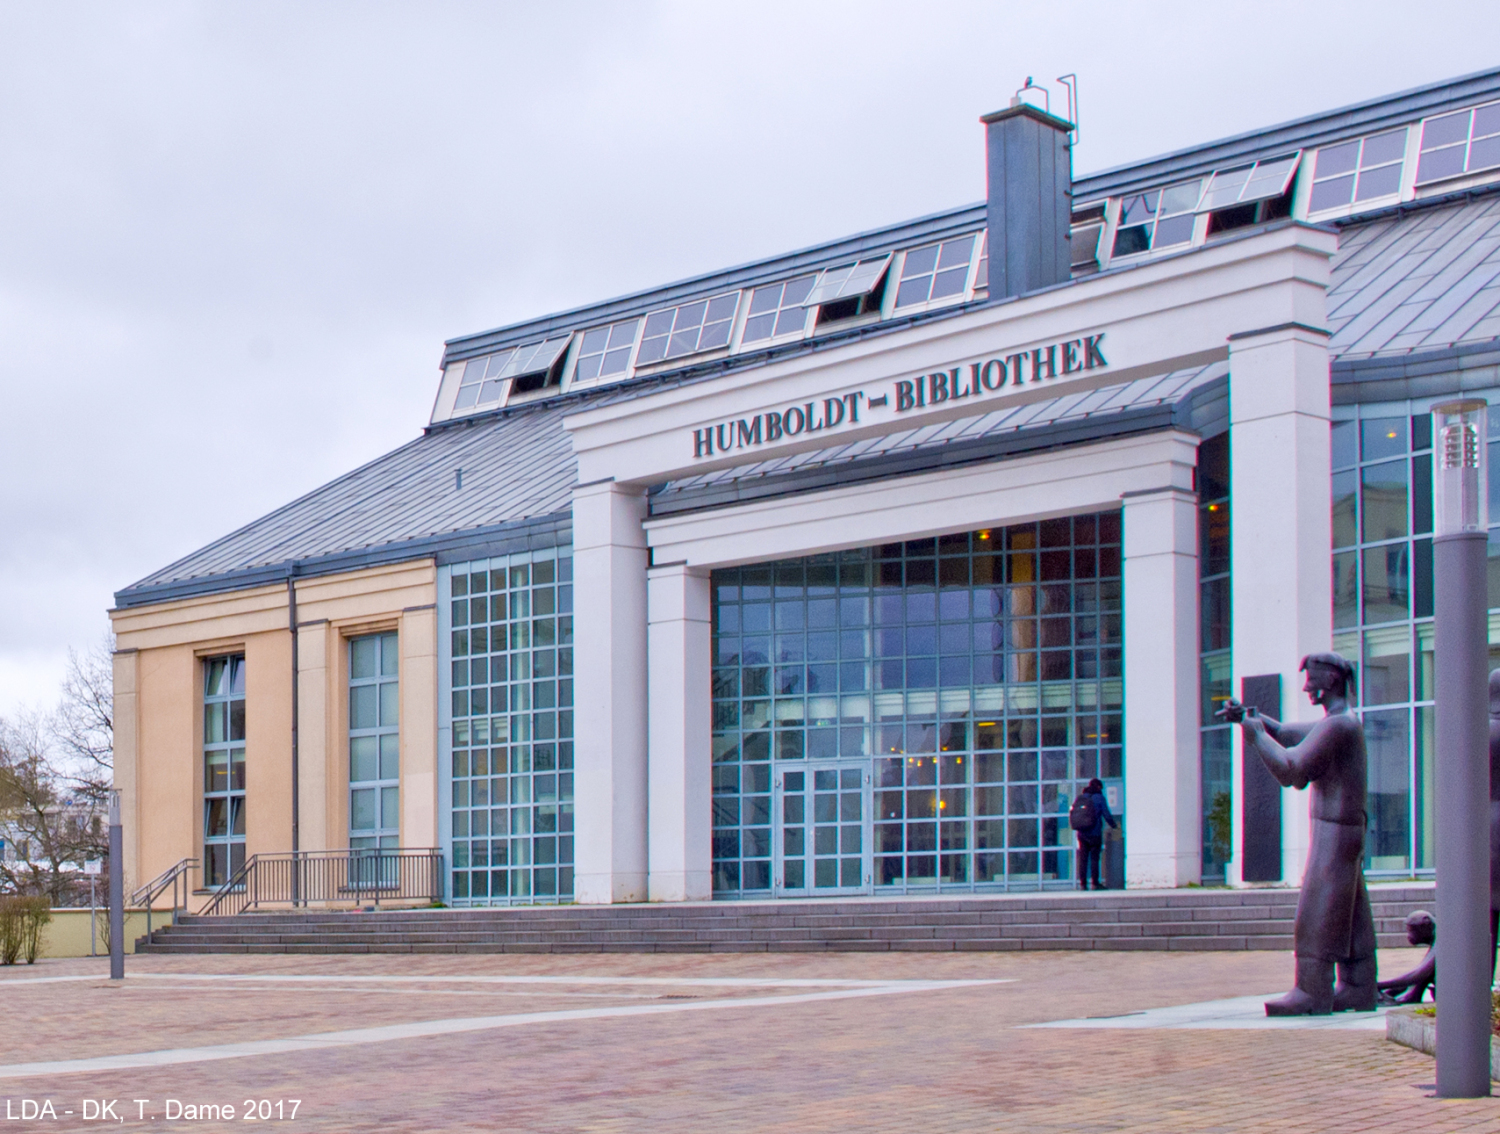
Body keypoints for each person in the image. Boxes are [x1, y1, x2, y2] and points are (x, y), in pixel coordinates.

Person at [1219, 652, 1378, 1015]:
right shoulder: (1339, 722)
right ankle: (1358, 985)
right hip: (1342, 830)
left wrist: (1256, 736)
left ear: (1333, 681)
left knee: (1317, 907)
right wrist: (1251, 718)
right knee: (1348, 908)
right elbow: (1290, 734)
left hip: (1335, 831)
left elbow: (1292, 770)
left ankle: (1312, 990)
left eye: (1312, 680)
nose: (1306, 687)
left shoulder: (1339, 726)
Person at [1377, 910, 1436, 1005]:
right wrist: (1391, 991)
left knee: (1429, 969)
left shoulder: (1442, 938)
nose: (1409, 936)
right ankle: (1413, 995)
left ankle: (1412, 996)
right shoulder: (1437, 937)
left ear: (1426, 925)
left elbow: (1419, 974)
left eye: (1412, 930)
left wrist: (1379, 985)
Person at [1072, 777, 1118, 891]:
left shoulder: (1081, 798)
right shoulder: (1099, 798)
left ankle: (1083, 884)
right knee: (1094, 859)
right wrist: (1114, 826)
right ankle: (1095, 884)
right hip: (1094, 833)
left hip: (1082, 833)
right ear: (1098, 787)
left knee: (1083, 859)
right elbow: (1106, 814)